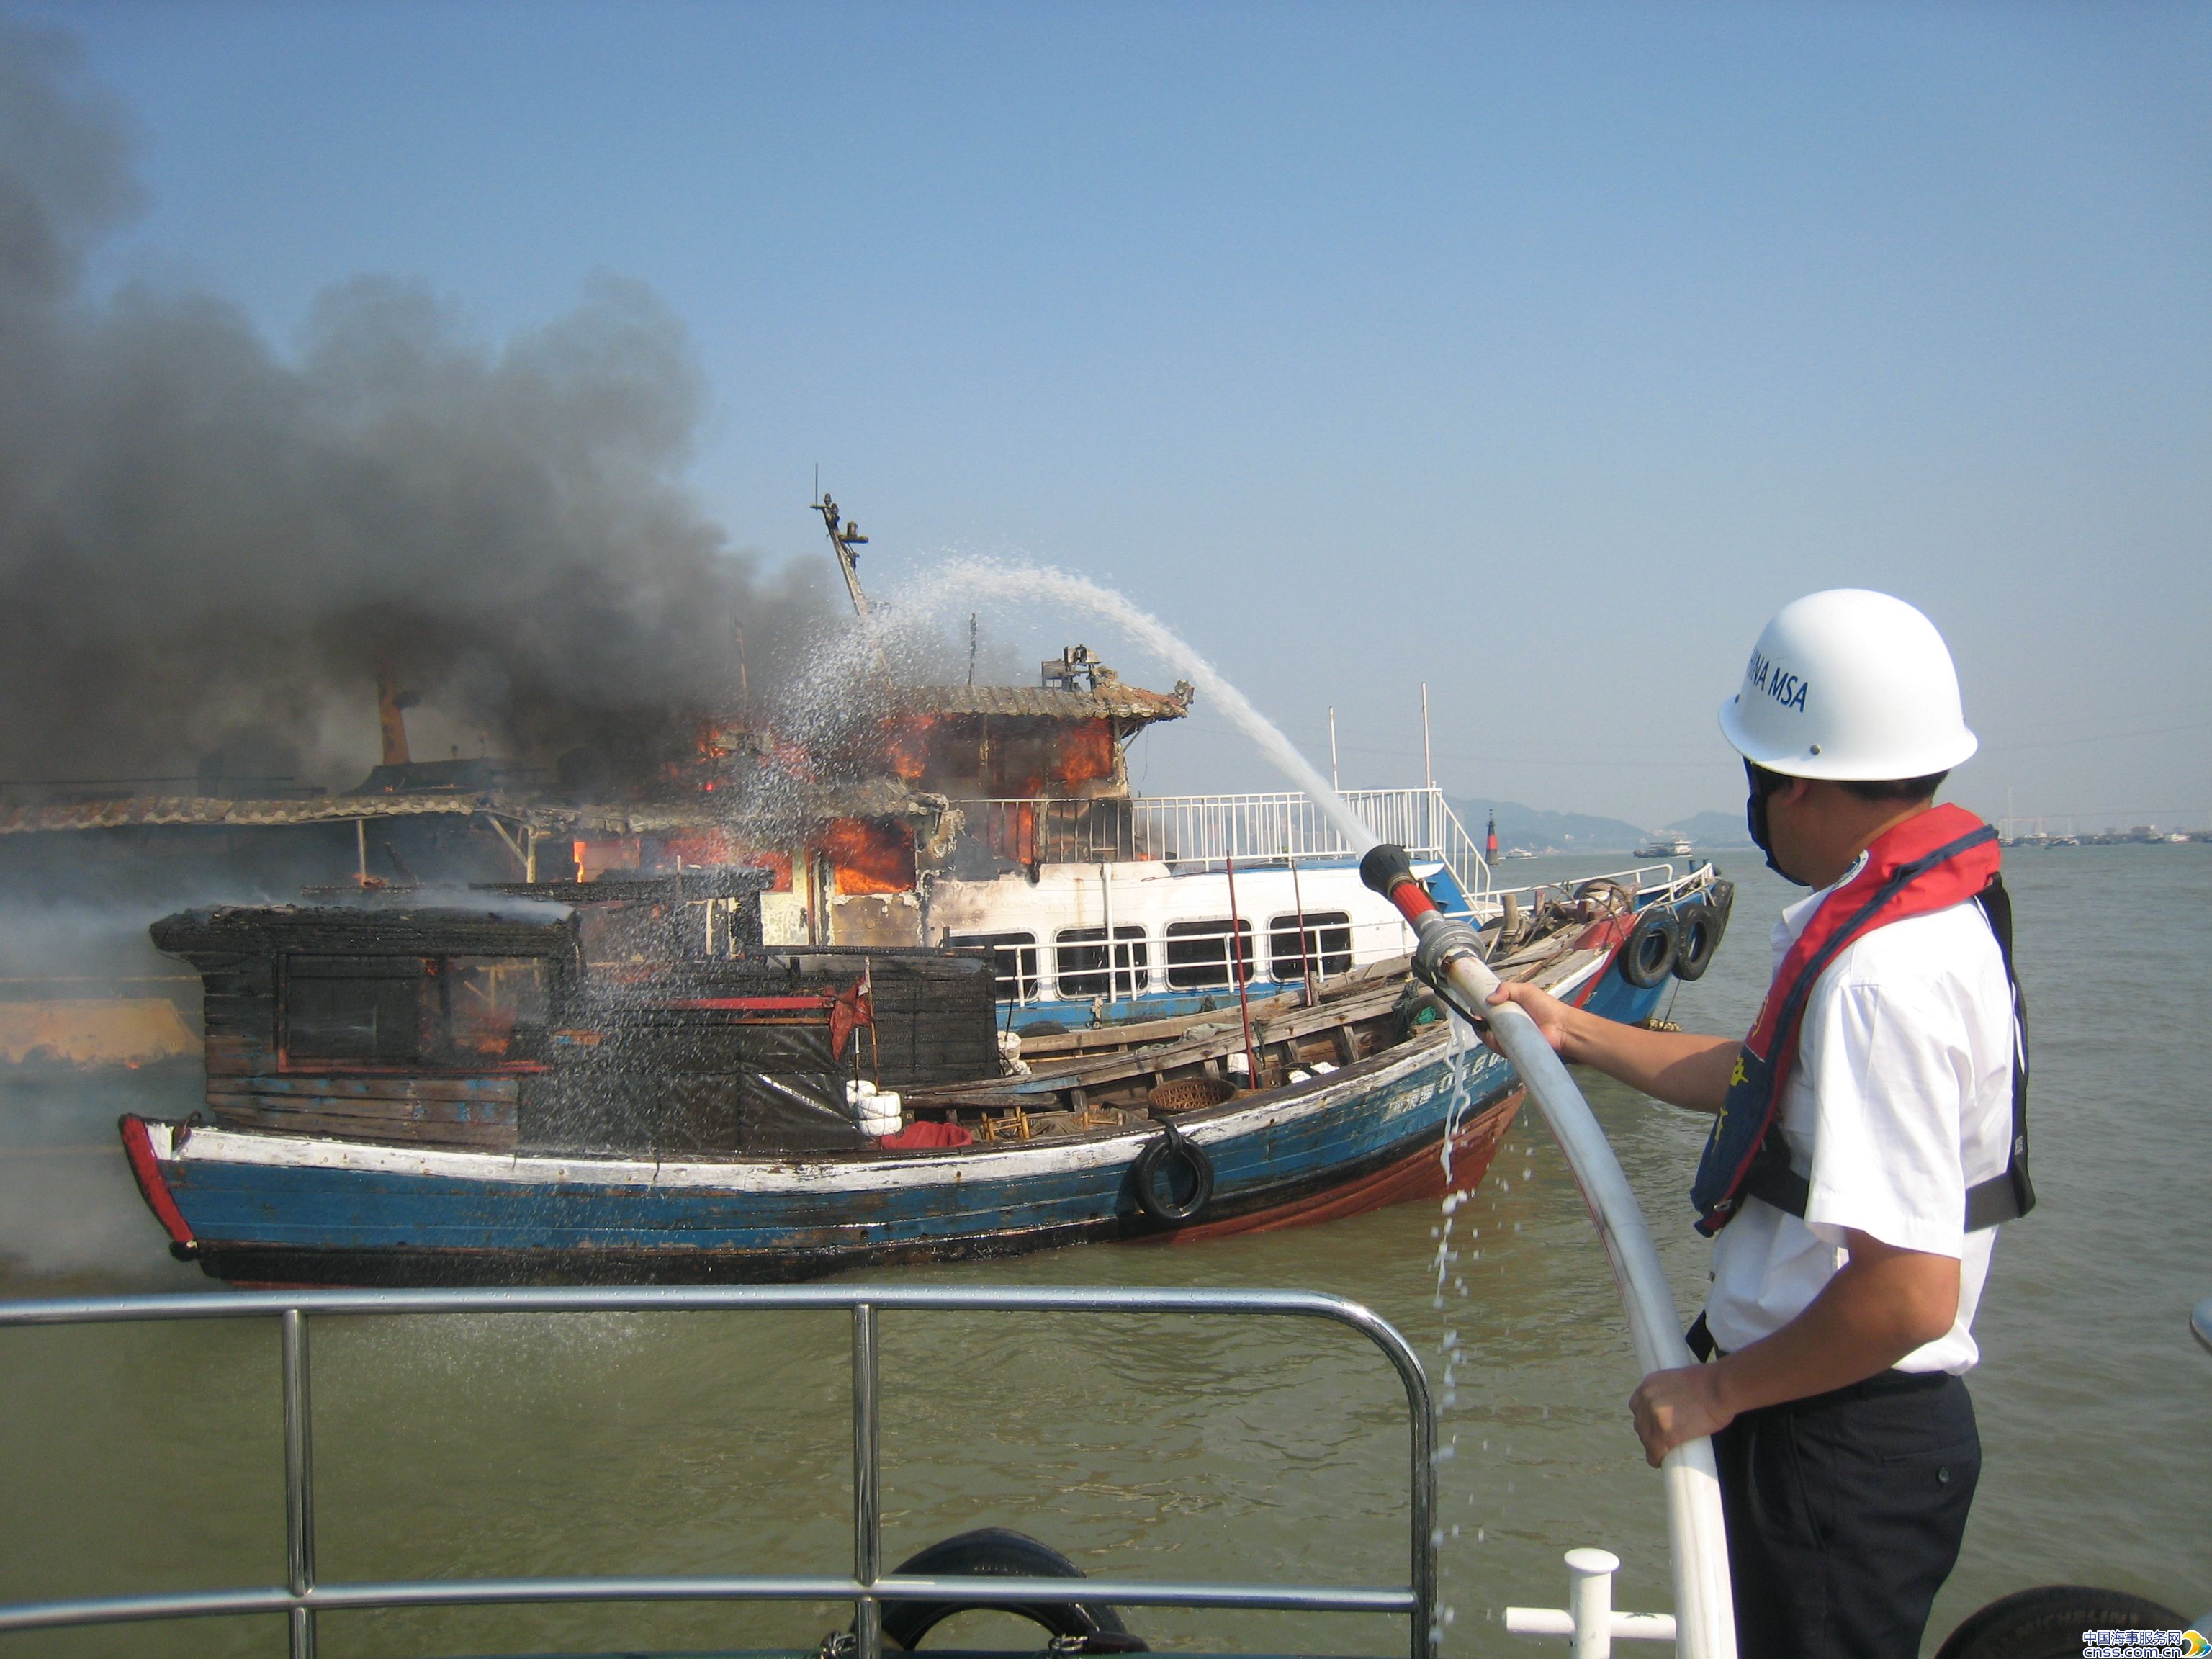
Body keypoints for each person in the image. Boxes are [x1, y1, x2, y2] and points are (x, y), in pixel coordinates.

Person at [1486, 588, 2031, 1659]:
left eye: (1757, 775)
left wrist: (1714, 1393)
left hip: (1832, 1445)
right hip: (1835, 1427)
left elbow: (1909, 1292)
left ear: (1800, 783)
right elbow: (1764, 1078)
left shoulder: (1883, 976)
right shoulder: (1933, 921)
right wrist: (1574, 1032)